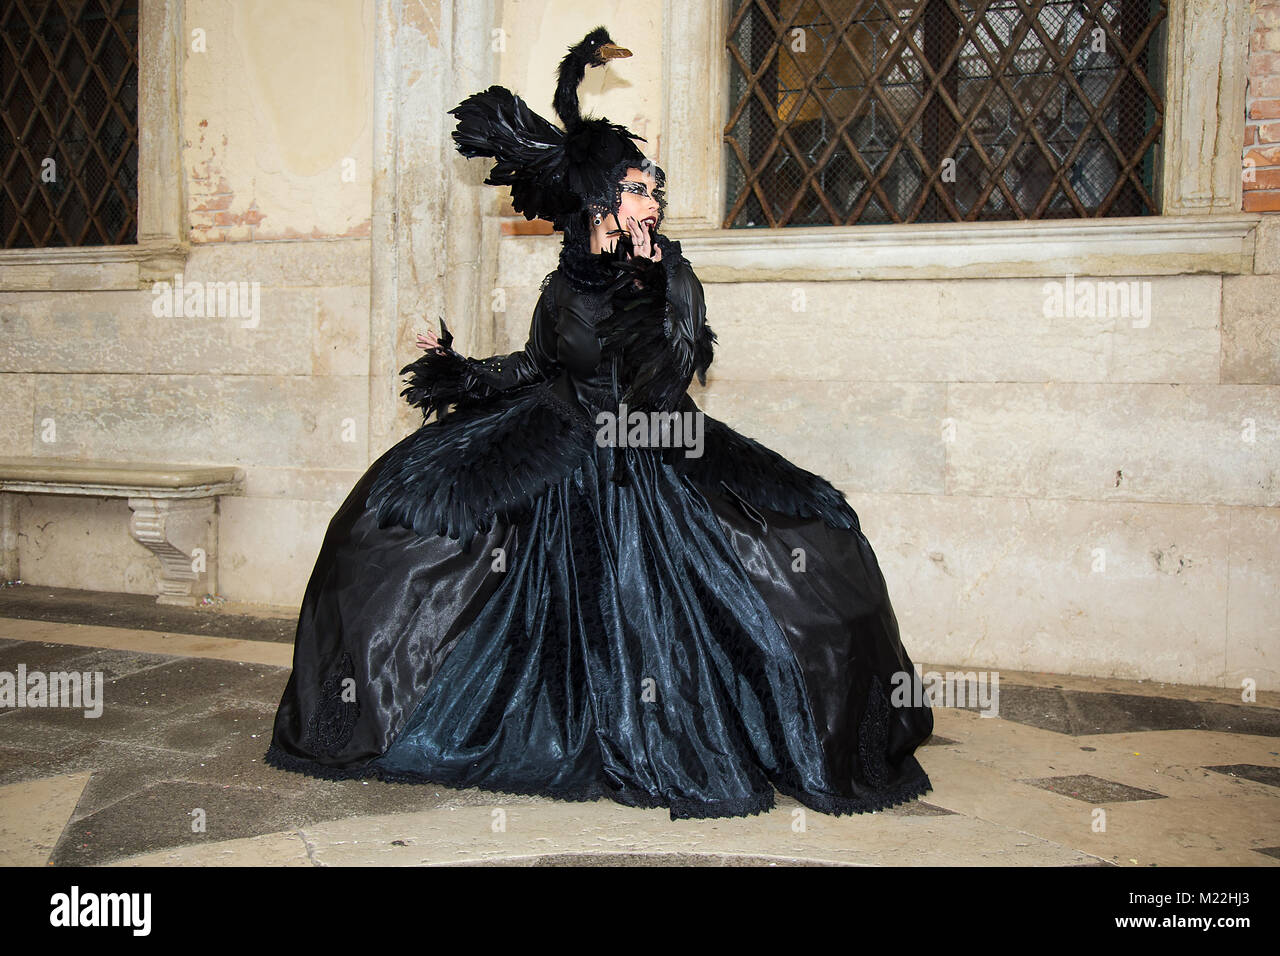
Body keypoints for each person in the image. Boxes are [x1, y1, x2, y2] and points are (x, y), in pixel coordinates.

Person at [265, 26, 934, 820]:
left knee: (805, 546)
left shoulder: (670, 274)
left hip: (654, 453)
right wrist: (456, 366)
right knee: (398, 529)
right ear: (599, 201)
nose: (654, 198)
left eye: (655, 187)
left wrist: (655, 288)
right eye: (639, 187)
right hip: (560, 448)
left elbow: (675, 372)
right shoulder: (562, 285)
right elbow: (536, 366)